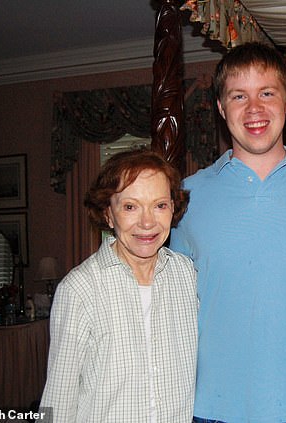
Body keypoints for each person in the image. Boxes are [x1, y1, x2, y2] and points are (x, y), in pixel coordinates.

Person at [169, 42, 286, 422]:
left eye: (267, 93)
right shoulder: (186, 198)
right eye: (239, 96)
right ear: (221, 109)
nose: (254, 109)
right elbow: (167, 308)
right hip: (214, 408)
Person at [38, 149, 197, 422]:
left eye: (159, 205)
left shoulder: (187, 275)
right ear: (108, 215)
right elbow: (58, 398)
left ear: (173, 209)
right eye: (130, 206)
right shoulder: (79, 289)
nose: (147, 222)